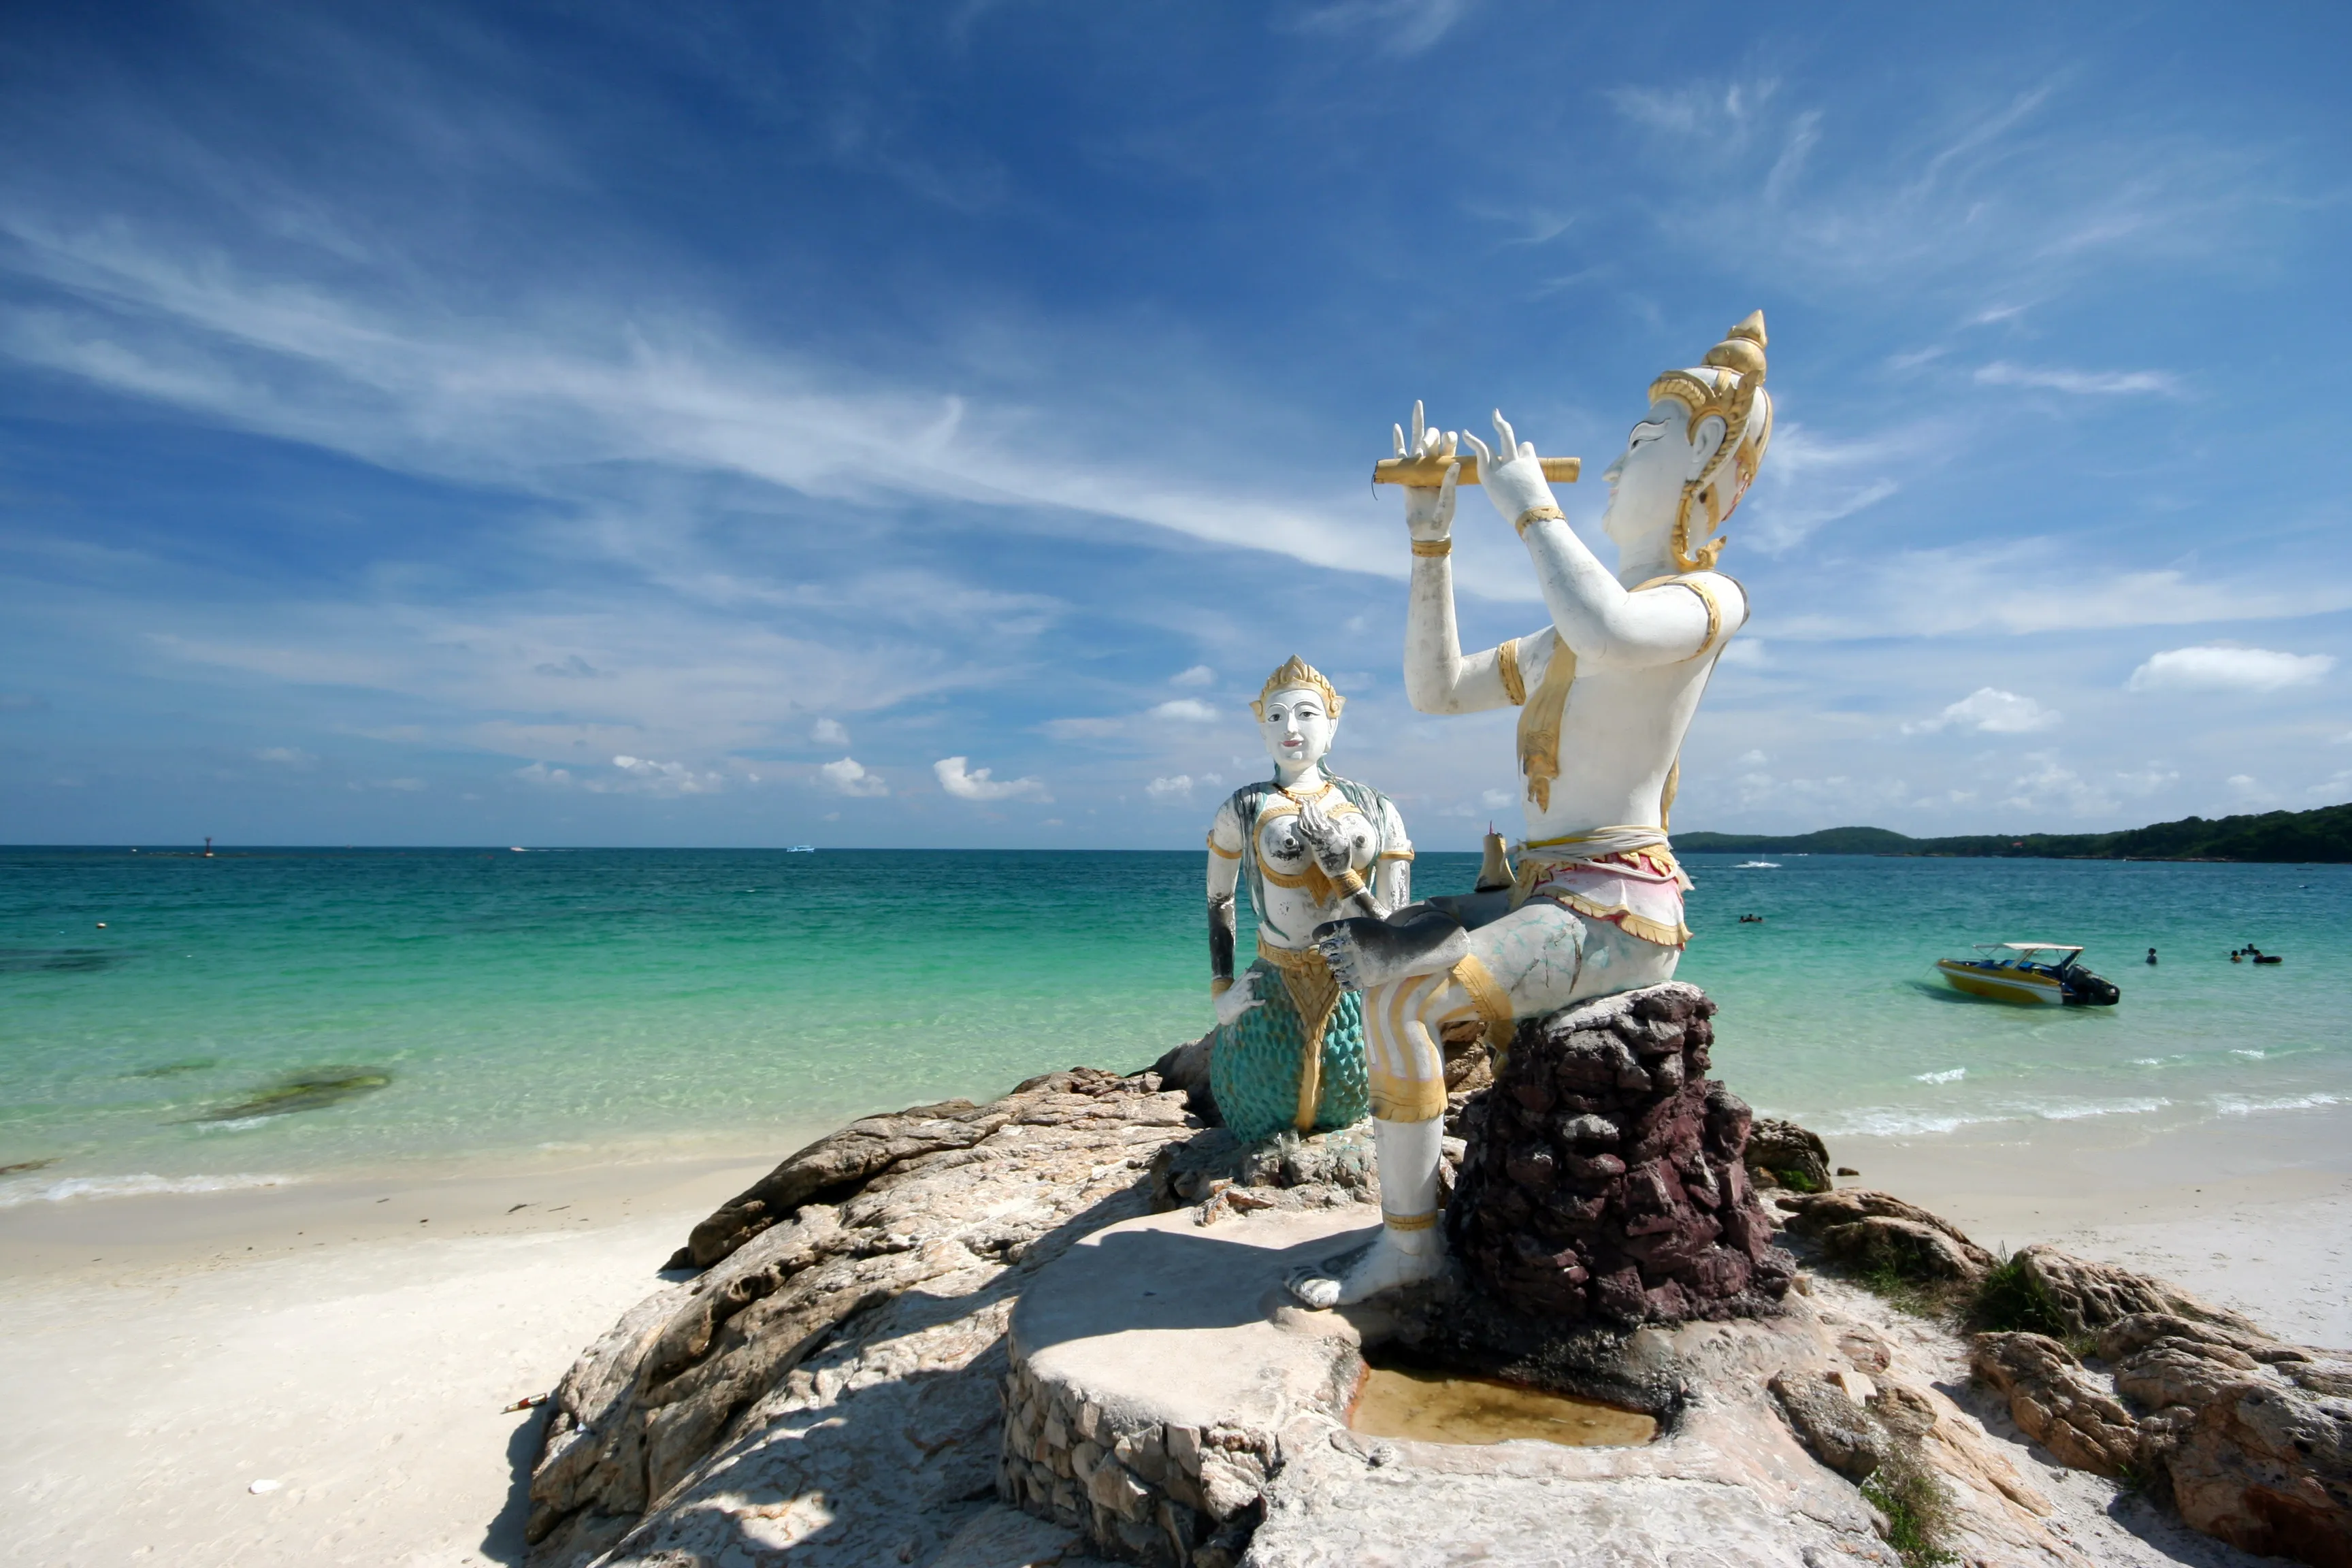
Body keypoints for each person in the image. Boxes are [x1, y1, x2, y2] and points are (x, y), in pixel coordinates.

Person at [1294, 315, 1772, 1308]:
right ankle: (1417, 1227)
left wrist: (1528, 511)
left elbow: (1610, 624)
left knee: (1402, 997)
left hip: (1614, 910)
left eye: (1640, 447)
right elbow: (1437, 687)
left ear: (1709, 470)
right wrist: (1433, 540)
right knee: (1373, 950)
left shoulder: (1705, 596)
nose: (1607, 472)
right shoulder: (1571, 633)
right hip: (1536, 895)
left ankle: (1409, 1255)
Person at [1203, 657, 1412, 1141]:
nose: (1290, 728)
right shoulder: (1244, 807)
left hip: (1352, 984)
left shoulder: (1376, 809)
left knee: (1349, 1100)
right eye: (1275, 717)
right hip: (1271, 983)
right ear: (1261, 728)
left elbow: (1396, 928)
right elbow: (1219, 899)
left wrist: (1344, 876)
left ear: (1332, 724)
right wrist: (1222, 994)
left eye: (1306, 713)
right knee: (1262, 1106)